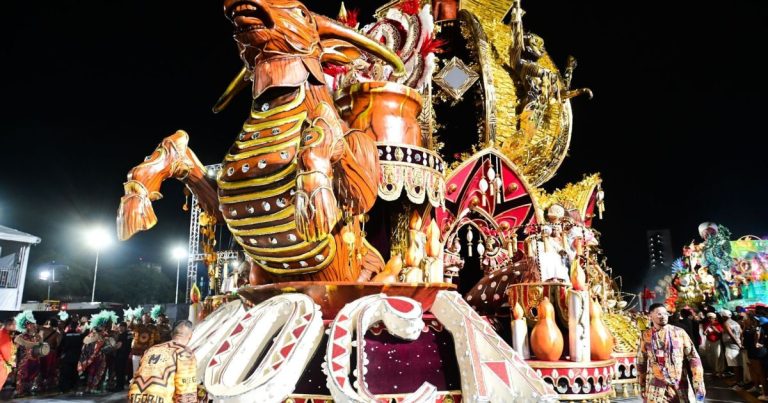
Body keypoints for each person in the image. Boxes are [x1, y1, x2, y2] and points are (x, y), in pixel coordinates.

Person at [637, 303, 706, 402]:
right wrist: (642, 385)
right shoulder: (646, 336)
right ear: (650, 316)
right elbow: (641, 361)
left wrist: (698, 382)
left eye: (665, 313)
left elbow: (693, 357)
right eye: (659, 314)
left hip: (679, 384)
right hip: (656, 386)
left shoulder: (679, 333)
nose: (663, 316)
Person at [129, 320, 197, 402]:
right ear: (190, 336)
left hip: (135, 398)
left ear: (171, 334)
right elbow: (186, 394)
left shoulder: (151, 349)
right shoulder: (184, 353)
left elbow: (135, 377)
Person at [13, 311, 42, 397]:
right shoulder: (20, 337)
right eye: (30, 324)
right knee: (22, 376)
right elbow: (15, 349)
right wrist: (14, 360)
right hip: (25, 361)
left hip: (35, 360)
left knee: (32, 376)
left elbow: (42, 348)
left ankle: (29, 390)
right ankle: (20, 391)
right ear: (25, 326)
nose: (33, 326)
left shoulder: (37, 337)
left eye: (33, 324)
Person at [77, 318, 109, 394]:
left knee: (92, 371)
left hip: (92, 357)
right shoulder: (100, 337)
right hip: (96, 357)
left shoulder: (90, 336)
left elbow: (84, 347)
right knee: (96, 371)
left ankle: (89, 387)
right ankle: (92, 387)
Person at [58, 317, 85, 393]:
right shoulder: (80, 336)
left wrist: (60, 355)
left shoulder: (66, 335)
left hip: (67, 357)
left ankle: (64, 388)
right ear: (77, 326)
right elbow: (82, 346)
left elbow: (61, 346)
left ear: (70, 326)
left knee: (65, 373)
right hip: (77, 357)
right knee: (75, 373)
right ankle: (74, 387)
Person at [38, 318, 62, 392]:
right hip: (51, 352)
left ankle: (40, 384)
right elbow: (58, 344)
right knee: (50, 368)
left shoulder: (42, 330)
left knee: (41, 367)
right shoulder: (57, 333)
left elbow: (39, 340)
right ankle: (48, 384)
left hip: (41, 351)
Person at [721, 310, 743, 380]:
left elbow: (731, 335)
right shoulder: (736, 322)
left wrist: (737, 343)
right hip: (738, 344)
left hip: (731, 345)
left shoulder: (726, 323)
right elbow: (741, 333)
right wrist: (740, 343)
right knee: (738, 363)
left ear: (724, 316)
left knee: (734, 363)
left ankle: (737, 379)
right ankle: (739, 378)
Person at [110, 322, 131, 391]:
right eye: (119, 327)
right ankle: (119, 385)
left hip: (122, 355)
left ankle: (119, 386)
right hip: (120, 355)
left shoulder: (125, 335)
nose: (120, 328)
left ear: (125, 327)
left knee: (120, 371)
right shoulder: (122, 334)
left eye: (122, 327)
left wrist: (114, 347)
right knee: (119, 371)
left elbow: (120, 345)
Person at [0, 319, 16, 390]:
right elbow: (5, 351)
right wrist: (12, 362)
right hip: (2, 364)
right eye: (14, 324)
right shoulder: (4, 334)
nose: (15, 327)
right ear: (9, 325)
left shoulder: (4, 333)